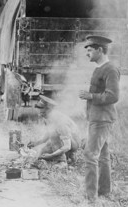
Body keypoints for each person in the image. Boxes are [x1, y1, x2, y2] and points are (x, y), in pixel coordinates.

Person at [79, 35, 120, 202]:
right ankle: (104, 191)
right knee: (103, 156)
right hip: (96, 118)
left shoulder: (110, 69)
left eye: (89, 50)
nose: (87, 53)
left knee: (90, 155)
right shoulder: (99, 68)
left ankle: (90, 197)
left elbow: (113, 96)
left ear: (100, 50)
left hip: (102, 119)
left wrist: (90, 96)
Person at [27, 95, 81, 167]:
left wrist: (51, 155)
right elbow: (47, 135)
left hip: (74, 143)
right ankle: (67, 157)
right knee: (43, 152)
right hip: (65, 141)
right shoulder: (49, 117)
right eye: (40, 113)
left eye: (43, 113)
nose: (40, 115)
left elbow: (67, 146)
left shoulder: (61, 122)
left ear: (50, 111)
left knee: (53, 137)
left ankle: (62, 162)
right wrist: (36, 143)